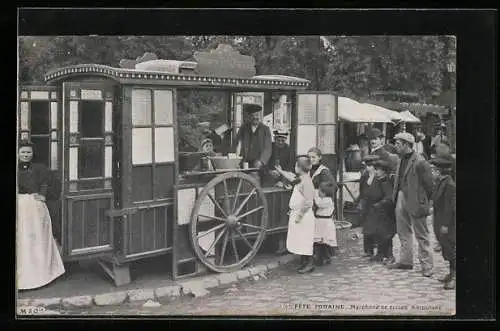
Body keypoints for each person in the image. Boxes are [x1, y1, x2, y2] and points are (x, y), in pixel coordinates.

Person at [17, 140, 65, 290]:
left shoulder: (40, 168)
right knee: (22, 238)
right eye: (23, 152)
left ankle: (43, 275)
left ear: (33, 153)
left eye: (28, 152)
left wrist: (43, 195)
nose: (26, 155)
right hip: (19, 205)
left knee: (37, 237)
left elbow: (48, 182)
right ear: (18, 153)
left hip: (35, 206)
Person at [388, 132, 435, 277]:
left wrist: (426, 203)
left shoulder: (420, 162)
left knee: (422, 235)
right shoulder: (400, 160)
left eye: (398, 143)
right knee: (403, 231)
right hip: (401, 197)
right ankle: (406, 261)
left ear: (406, 145)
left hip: (416, 201)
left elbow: (429, 185)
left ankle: (427, 266)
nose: (395, 146)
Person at [276, 156, 316, 273]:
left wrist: (299, 216)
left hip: (304, 216)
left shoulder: (307, 182)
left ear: (298, 167)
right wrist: (281, 171)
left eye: (295, 165)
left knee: (305, 240)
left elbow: (308, 202)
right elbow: (291, 177)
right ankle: (303, 262)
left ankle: (310, 263)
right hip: (298, 213)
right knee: (300, 239)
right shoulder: (301, 178)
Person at [429, 156, 456, 290]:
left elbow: (450, 207)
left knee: (451, 249)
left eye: (433, 170)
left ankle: (455, 276)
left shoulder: (449, 185)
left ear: (439, 171)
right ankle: (451, 274)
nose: (431, 173)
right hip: (439, 220)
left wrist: (445, 225)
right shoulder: (440, 182)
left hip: (448, 223)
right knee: (446, 248)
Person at [308, 147, 338, 265]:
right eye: (309, 157)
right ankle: (316, 254)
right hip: (313, 203)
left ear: (320, 158)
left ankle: (324, 255)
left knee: (322, 234)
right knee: (316, 233)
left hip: (320, 204)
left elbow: (333, 187)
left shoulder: (323, 171)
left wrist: (321, 195)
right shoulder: (310, 170)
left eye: (313, 157)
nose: (311, 159)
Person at [235, 104, 272, 180]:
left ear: (260, 116)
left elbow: (268, 148)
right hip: (245, 162)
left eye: (257, 115)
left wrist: (261, 161)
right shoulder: (243, 128)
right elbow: (237, 143)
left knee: (257, 183)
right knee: (244, 182)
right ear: (249, 117)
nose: (255, 117)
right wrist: (236, 159)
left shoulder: (265, 129)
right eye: (252, 115)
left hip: (259, 164)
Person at [370, 159, 397, 264]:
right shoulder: (377, 180)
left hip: (386, 212)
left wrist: (380, 204)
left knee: (386, 234)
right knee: (379, 233)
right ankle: (380, 254)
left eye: (378, 170)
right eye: (376, 169)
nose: (376, 172)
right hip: (378, 212)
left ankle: (390, 255)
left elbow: (389, 197)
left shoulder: (386, 181)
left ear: (384, 171)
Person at [358, 154, 381, 258]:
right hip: (367, 204)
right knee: (367, 227)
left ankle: (379, 250)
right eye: (367, 165)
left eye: (371, 165)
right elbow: (361, 189)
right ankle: (368, 250)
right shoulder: (364, 176)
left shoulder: (379, 176)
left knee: (377, 227)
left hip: (376, 204)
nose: (368, 168)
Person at [313, 181, 338, 265]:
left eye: (320, 191)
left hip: (324, 223)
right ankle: (323, 257)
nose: (318, 193)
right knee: (320, 242)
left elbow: (319, 203)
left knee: (323, 242)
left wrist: (314, 194)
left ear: (324, 193)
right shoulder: (325, 199)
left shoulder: (328, 200)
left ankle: (323, 258)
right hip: (320, 222)